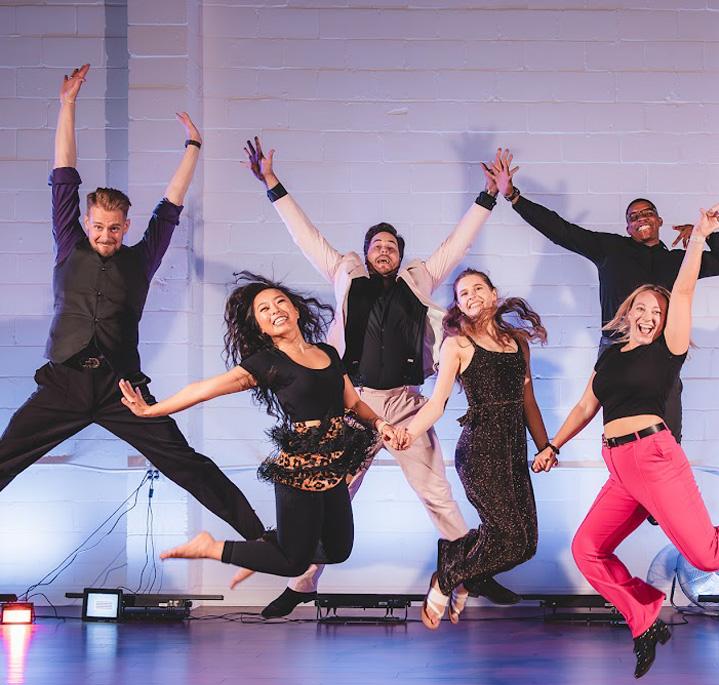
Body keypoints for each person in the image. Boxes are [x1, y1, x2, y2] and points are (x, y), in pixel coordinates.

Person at [243, 136, 521, 618]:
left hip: (408, 402)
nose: (383, 251)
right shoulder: (345, 274)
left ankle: (473, 571)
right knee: (332, 488)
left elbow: (458, 244)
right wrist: (272, 182)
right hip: (355, 402)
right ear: (367, 252)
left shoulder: (422, 280)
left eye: (391, 246)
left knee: (437, 493)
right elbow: (305, 235)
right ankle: (303, 580)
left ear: (401, 254)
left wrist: (488, 196)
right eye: (377, 245)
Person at [0, 64, 267, 545]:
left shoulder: (140, 259)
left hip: (123, 389)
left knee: (184, 462)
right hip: (64, 382)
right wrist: (67, 104)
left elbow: (170, 206)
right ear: (86, 222)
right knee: (5, 459)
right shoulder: (69, 244)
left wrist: (193, 148)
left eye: (114, 228)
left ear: (126, 226)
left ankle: (259, 535)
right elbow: (63, 176)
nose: (105, 235)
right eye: (98, 226)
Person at [531, 203, 719, 679]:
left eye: (658, 311)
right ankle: (646, 616)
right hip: (619, 467)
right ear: (628, 310)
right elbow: (584, 408)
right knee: (587, 549)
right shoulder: (610, 357)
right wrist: (553, 444)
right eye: (643, 307)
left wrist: (698, 236)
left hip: (655, 457)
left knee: (707, 554)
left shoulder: (669, 350)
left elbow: (685, 288)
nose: (650, 315)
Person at [119, 275, 399, 580]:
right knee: (294, 563)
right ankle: (212, 547)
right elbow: (203, 389)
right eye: (263, 309)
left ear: (295, 311)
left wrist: (381, 423)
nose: (274, 309)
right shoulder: (267, 363)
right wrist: (151, 410)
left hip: (334, 466)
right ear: (261, 328)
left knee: (338, 550)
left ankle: (269, 550)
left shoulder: (327, 353)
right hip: (300, 473)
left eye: (280, 302)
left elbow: (354, 404)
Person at [490, 149, 719, 445]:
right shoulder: (610, 249)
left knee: (667, 432)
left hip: (662, 349)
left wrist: (706, 234)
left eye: (647, 213)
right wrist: (513, 196)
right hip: (617, 348)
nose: (640, 219)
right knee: (623, 433)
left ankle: (665, 476)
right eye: (633, 217)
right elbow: (561, 231)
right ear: (628, 227)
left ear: (660, 221)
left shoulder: (678, 261)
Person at [396, 269, 553, 628]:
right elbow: (436, 405)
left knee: (526, 544)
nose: (470, 296)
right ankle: (446, 579)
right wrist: (408, 432)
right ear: (459, 305)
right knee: (510, 540)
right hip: (480, 452)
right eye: (462, 293)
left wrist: (546, 446)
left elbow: (529, 401)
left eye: (477, 288)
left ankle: (456, 557)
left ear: (494, 294)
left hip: (514, 451)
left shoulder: (517, 342)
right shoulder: (458, 344)